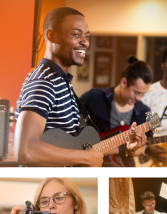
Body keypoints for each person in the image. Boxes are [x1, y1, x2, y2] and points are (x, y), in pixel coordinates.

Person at [14, 7, 145, 167]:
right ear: (51, 35)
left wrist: (125, 147)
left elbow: (79, 147)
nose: (85, 42)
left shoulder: (62, 82)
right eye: (76, 34)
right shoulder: (43, 83)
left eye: (87, 36)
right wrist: (85, 158)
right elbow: (25, 150)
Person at [80, 57, 152, 166]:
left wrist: (135, 150)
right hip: (90, 162)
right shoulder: (94, 97)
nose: (139, 98)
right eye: (137, 92)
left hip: (123, 167)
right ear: (124, 82)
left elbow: (142, 147)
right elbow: (70, 117)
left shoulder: (144, 112)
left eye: (143, 94)